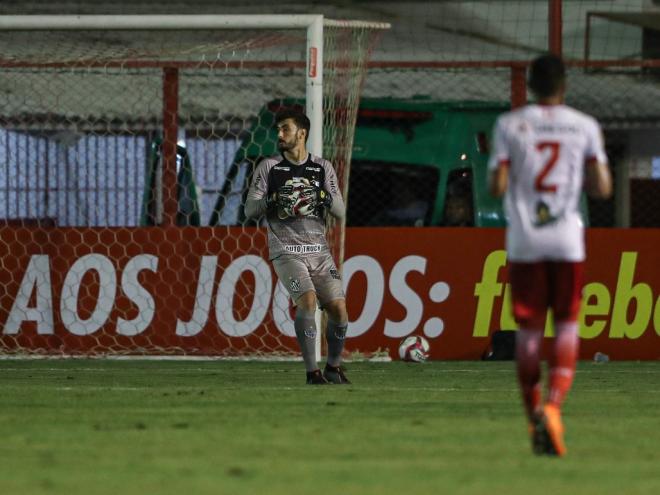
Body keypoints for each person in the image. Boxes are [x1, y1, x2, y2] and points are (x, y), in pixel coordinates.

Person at [488, 54, 612, 456]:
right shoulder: (585, 126)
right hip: (566, 240)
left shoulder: (510, 125)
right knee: (567, 326)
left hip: (526, 242)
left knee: (528, 333)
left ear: (529, 85)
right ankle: (554, 407)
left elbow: (497, 185)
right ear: (565, 85)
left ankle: (532, 416)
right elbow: (602, 187)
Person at [244, 109, 350, 385]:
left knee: (339, 309)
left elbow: (340, 210)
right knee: (308, 301)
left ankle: (333, 368)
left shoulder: (322, 168)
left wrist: (321, 194)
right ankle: (312, 371)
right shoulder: (269, 168)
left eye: (285, 129)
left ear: (301, 133)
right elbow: (249, 210)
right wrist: (275, 198)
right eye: (278, 129)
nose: (280, 134)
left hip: (319, 251)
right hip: (286, 250)